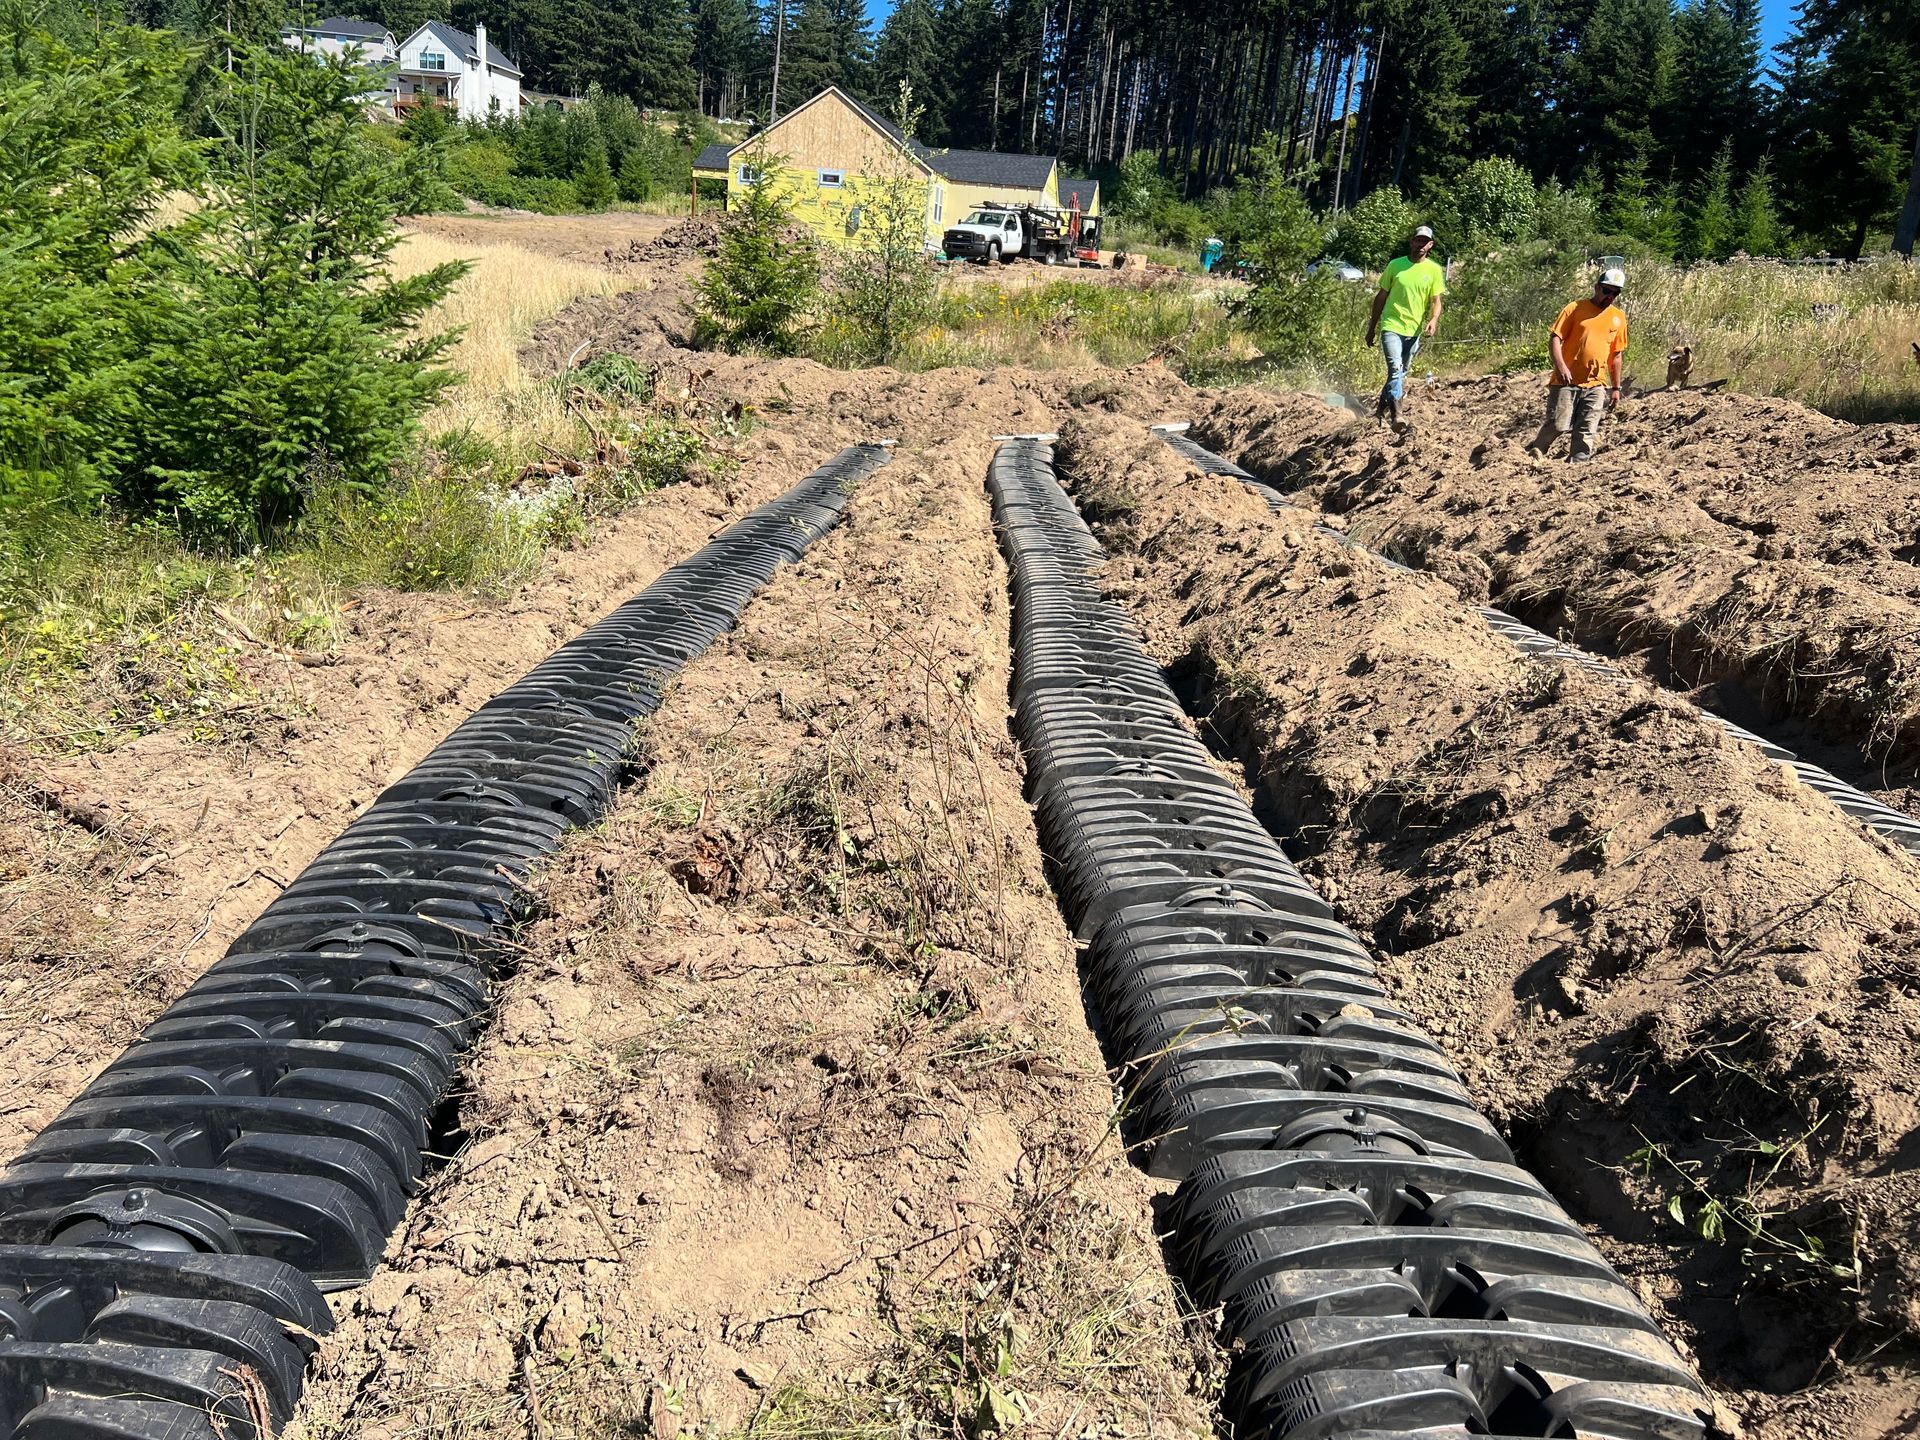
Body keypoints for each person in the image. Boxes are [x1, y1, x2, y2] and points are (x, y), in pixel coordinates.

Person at [1530, 268, 1629, 461]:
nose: (1611, 296)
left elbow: (1616, 356)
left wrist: (1616, 388)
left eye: (1616, 293)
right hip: (1566, 380)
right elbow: (1555, 338)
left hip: (1596, 384)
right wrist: (1561, 366)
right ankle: (1535, 454)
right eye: (1607, 291)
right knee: (1558, 424)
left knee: (1587, 429)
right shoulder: (1575, 308)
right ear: (1597, 288)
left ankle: (1577, 466)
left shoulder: (1618, 318)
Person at [1363, 224, 1446, 431]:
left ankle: (1379, 412)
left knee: (1400, 373)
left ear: (1430, 245)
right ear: (1412, 242)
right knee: (1395, 369)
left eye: (1425, 242)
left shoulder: (1434, 270)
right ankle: (1397, 416)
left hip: (1414, 329)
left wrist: (1433, 319)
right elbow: (1381, 297)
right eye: (1418, 240)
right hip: (1392, 325)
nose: (1420, 244)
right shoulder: (1395, 265)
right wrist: (1372, 326)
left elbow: (1436, 300)